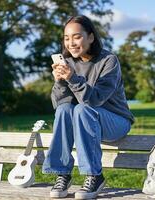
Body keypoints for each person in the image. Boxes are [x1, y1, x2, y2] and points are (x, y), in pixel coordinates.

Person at [42, 15, 135, 199]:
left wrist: (72, 79)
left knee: (82, 109)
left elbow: (96, 99)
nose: (71, 43)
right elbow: (59, 105)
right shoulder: (68, 63)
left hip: (115, 122)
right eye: (67, 38)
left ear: (91, 37)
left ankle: (94, 175)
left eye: (77, 37)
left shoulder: (109, 61)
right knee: (64, 109)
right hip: (84, 120)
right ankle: (63, 173)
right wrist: (60, 82)